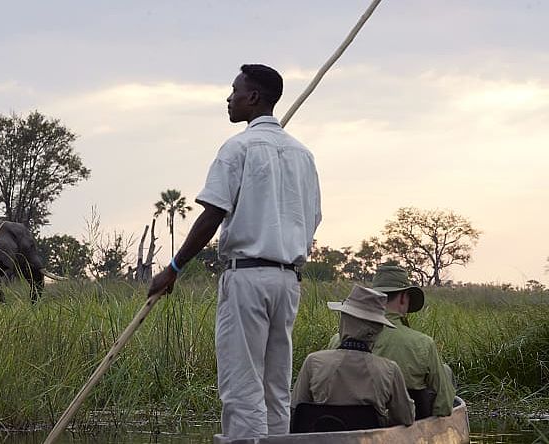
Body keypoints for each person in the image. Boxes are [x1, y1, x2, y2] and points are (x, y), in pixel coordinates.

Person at [148, 64, 321, 439]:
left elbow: (212, 215)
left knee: (243, 386)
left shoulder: (238, 148)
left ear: (253, 97)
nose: (229, 98)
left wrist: (174, 268)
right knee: (276, 387)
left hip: (247, 278)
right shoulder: (302, 155)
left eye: (234, 91)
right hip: (288, 281)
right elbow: (313, 219)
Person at [328, 265, 456, 417]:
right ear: (403, 298)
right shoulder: (423, 344)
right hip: (403, 421)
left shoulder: (337, 341)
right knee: (445, 371)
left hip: (342, 419)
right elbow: (444, 405)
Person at [292, 285, 415, 427]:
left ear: (344, 321)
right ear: (378, 329)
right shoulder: (389, 371)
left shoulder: (314, 362)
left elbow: (296, 411)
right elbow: (406, 418)